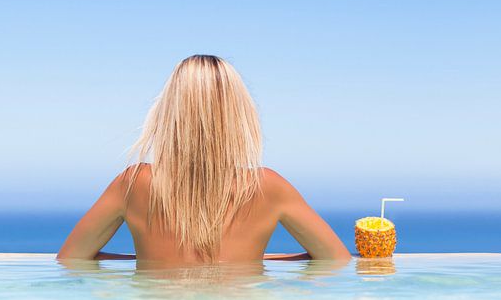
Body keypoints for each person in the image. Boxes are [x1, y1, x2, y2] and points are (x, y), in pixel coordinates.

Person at [58, 54, 351, 264]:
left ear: (169, 113)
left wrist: (151, 260)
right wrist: (258, 260)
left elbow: (71, 260)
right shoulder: (267, 186)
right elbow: (335, 261)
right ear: (239, 115)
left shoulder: (134, 183)